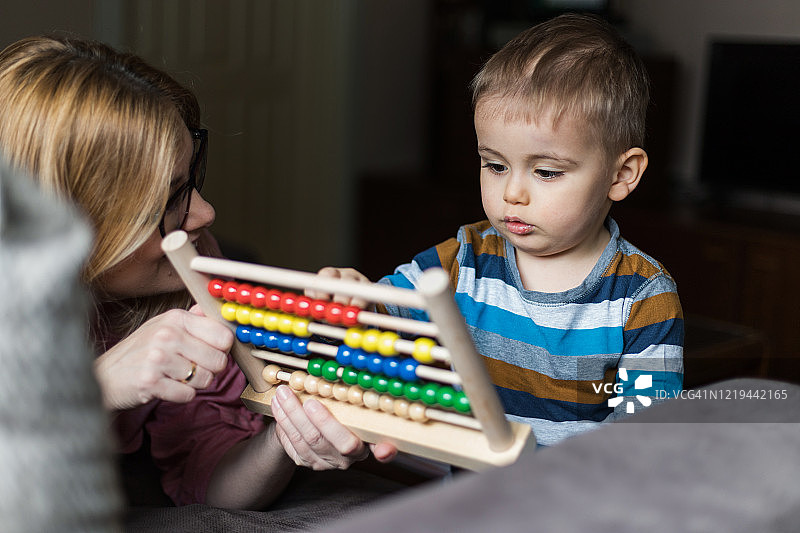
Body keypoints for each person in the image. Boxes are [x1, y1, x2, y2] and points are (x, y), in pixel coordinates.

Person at [0, 35, 396, 511]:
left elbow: (212, 482)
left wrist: (283, 438)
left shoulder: (194, 287)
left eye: (190, 183)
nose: (205, 213)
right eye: (165, 203)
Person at [318, 14, 684, 447]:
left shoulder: (643, 298)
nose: (512, 193)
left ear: (621, 174)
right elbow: (381, 323)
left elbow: (646, 439)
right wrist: (352, 301)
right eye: (495, 165)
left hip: (577, 500)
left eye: (546, 172)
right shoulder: (462, 260)